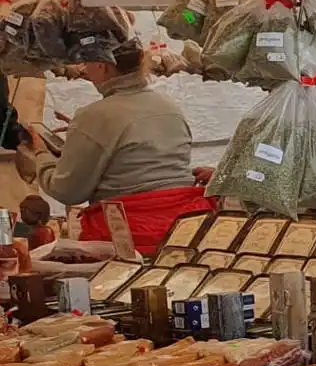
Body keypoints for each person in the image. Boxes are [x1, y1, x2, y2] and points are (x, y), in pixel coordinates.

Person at [13, 44, 212, 254]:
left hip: (130, 234)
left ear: (101, 65)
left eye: (86, 61)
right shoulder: (169, 106)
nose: (84, 67)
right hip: (187, 228)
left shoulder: (94, 116)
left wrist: (41, 153)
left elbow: (67, 191)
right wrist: (80, 142)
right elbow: (133, 154)